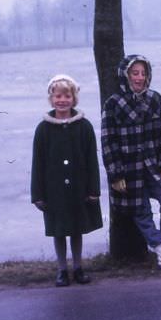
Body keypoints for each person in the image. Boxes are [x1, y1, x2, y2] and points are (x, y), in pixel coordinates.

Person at [101, 54, 161, 271]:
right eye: (134, 73)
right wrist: (115, 174)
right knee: (141, 211)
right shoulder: (113, 103)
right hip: (128, 170)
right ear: (125, 75)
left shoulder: (156, 99)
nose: (139, 77)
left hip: (154, 165)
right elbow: (108, 141)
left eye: (143, 73)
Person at [31, 74, 103, 286]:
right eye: (58, 96)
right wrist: (38, 194)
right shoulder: (43, 129)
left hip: (79, 189)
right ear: (51, 99)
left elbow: (92, 161)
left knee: (77, 229)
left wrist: (93, 190)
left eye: (67, 96)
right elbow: (38, 164)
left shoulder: (84, 127)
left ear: (74, 98)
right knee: (59, 230)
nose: (62, 100)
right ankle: (62, 270)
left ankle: (78, 268)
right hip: (54, 191)